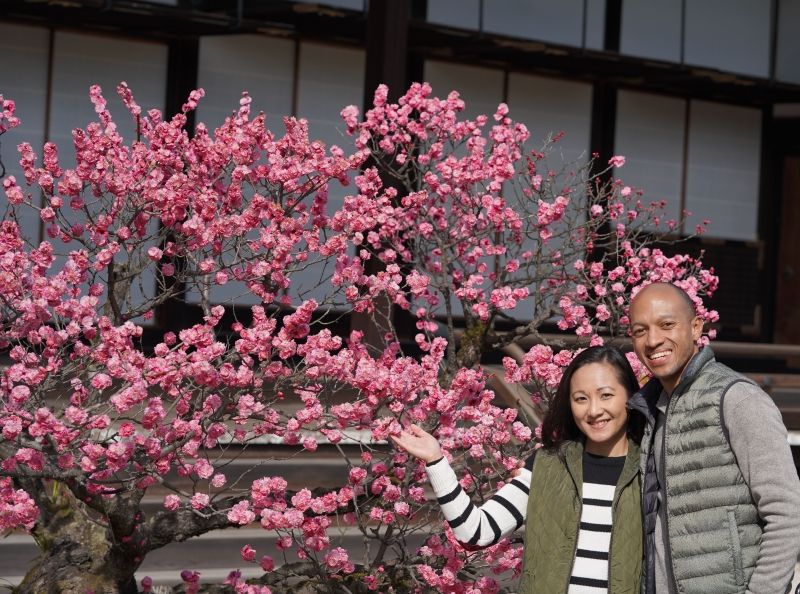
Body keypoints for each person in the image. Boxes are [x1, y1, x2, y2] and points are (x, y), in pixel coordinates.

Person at [392, 346, 645, 594]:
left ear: (629, 396)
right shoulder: (547, 466)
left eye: (606, 395)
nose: (593, 410)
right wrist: (436, 460)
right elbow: (476, 532)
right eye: (581, 398)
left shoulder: (651, 469)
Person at [627, 282, 800, 594]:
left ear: (696, 328)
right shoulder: (647, 410)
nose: (653, 340)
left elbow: (788, 514)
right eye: (640, 331)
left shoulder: (738, 399)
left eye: (667, 325)